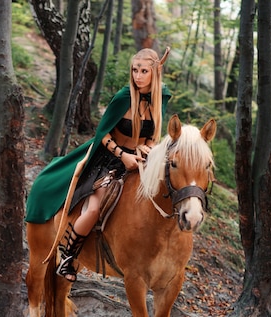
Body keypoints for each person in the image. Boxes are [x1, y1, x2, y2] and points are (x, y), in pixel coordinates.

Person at [25, 48, 171, 282]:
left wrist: (148, 147)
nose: (138, 76)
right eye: (135, 70)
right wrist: (122, 155)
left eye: (144, 71)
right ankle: (68, 258)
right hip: (107, 158)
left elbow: (151, 136)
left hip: (138, 161)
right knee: (94, 206)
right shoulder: (124, 97)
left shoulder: (158, 100)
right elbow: (102, 133)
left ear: (154, 73)